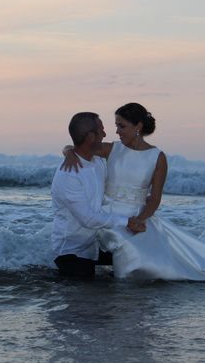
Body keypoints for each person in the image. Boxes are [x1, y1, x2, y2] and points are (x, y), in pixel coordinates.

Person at [62, 103, 205, 280]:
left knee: (150, 248)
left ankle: (126, 292)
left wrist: (140, 220)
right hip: (108, 213)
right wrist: (68, 152)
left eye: (121, 126)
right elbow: (81, 146)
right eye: (116, 126)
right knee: (122, 240)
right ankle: (119, 282)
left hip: (138, 215)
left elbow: (154, 199)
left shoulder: (157, 157)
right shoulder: (112, 149)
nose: (116, 131)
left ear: (138, 126)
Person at [51, 112, 145, 279]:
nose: (105, 134)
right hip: (72, 252)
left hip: (95, 243)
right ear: (90, 136)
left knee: (140, 260)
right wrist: (127, 222)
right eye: (101, 129)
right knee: (90, 296)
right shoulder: (69, 174)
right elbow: (88, 219)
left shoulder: (98, 161)